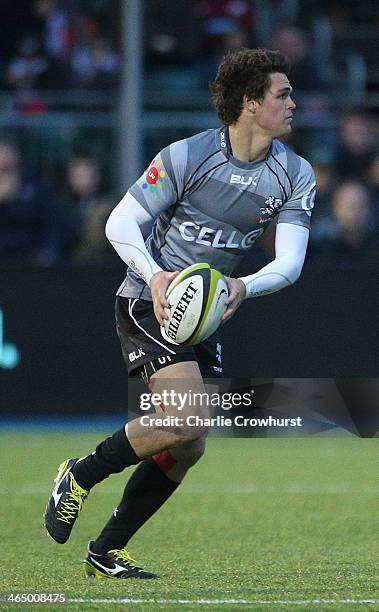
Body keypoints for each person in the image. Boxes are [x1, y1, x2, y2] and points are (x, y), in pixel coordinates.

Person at [44, 48, 316, 579]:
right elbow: (120, 224)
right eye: (282, 94)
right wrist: (156, 276)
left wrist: (243, 285)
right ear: (250, 102)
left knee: (189, 444)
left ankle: (105, 551)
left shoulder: (295, 174)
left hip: (203, 313)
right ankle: (79, 475)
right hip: (149, 300)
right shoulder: (187, 156)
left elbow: (290, 263)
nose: (293, 103)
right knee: (188, 419)